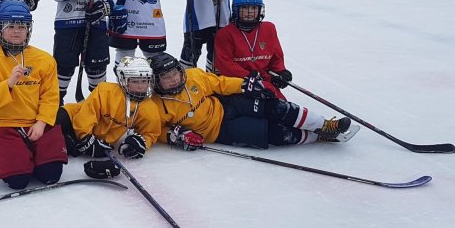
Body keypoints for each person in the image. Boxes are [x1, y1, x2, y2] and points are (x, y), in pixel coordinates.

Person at [148, 52, 358, 152]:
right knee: (274, 134)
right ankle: (318, 136)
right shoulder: (156, 104)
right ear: (156, 81)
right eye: (166, 77)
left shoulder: (193, 76)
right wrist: (176, 136)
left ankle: (326, 125)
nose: (174, 79)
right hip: (219, 131)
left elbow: (221, 84)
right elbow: (158, 130)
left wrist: (244, 85)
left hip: (227, 106)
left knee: (275, 107)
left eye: (174, 73)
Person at [0, 0, 66, 190]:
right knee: (18, 181)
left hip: (37, 123)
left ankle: (26, 151)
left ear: (28, 29)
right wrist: (9, 83)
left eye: (21, 26)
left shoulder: (45, 60)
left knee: (50, 175)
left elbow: (50, 97)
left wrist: (41, 123)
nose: (16, 31)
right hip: (3, 124)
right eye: (10, 26)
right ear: (0, 28)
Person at [56, 56, 163, 179]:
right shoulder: (105, 90)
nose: (141, 86)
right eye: (135, 81)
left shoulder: (149, 108)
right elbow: (85, 117)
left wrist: (140, 143)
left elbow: (150, 133)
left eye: (144, 81)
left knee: (64, 147)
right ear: (124, 80)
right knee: (52, 127)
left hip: (98, 139)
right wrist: (86, 138)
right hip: (72, 119)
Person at [214, 0, 289, 100]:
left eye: (254, 8)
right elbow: (225, 65)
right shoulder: (225, 34)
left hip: (264, 83)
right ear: (236, 9)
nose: (249, 13)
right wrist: (248, 75)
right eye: (245, 8)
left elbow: (276, 56)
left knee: (283, 109)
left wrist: (280, 72)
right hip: (238, 85)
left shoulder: (269, 29)